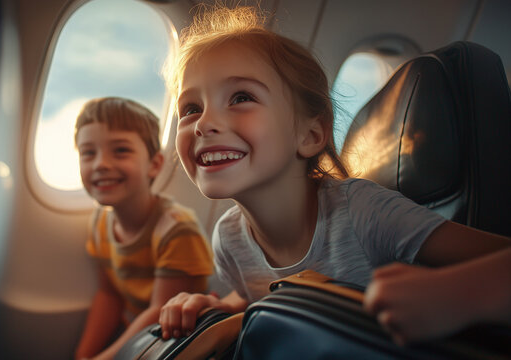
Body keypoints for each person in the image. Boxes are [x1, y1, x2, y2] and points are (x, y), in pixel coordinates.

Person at [158, 4, 511, 346]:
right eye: (191, 108)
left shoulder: (363, 211)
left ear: (310, 136)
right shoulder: (229, 240)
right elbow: (259, 293)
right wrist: (222, 306)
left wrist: (458, 294)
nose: (203, 123)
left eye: (240, 97)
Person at [73, 97, 213, 360]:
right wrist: (84, 355)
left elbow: (159, 311)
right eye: (88, 153)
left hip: (176, 344)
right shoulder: (100, 224)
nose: (101, 164)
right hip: (136, 339)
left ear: (155, 165)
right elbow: (109, 295)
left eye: (121, 150)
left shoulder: (177, 229)